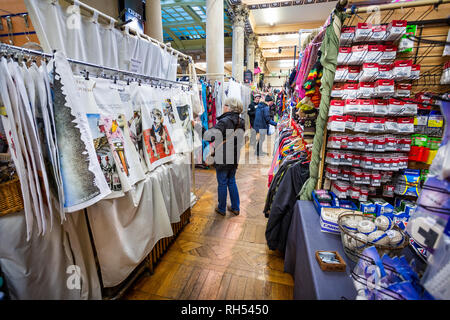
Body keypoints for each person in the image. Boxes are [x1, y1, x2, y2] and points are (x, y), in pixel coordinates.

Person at [206, 97, 245, 216]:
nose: (223, 107)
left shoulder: (224, 121)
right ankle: (235, 207)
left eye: (224, 105)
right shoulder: (241, 121)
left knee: (222, 182)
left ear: (228, 107)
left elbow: (209, 136)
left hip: (223, 156)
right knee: (231, 181)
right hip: (234, 156)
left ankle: (222, 208)